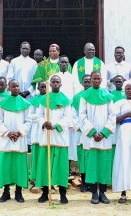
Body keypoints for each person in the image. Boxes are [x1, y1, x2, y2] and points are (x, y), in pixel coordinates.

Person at [34, 74, 73, 204]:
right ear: (49, 84)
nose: (55, 84)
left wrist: (56, 126)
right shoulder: (44, 99)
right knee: (46, 166)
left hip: (60, 137)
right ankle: (45, 192)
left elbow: (68, 117)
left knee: (61, 167)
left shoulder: (66, 100)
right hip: (47, 137)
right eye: (53, 82)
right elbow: (39, 115)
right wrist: (44, 122)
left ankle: (63, 193)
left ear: (61, 84)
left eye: (58, 82)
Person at [79, 71, 115, 205]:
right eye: (94, 78)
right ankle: (94, 193)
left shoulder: (108, 96)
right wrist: (93, 132)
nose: (96, 80)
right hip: (91, 137)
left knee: (104, 165)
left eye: (98, 78)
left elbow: (112, 116)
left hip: (104, 137)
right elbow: (82, 116)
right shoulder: (84, 96)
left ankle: (103, 193)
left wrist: (104, 132)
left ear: (101, 80)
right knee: (92, 166)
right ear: (91, 80)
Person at [0, 79, 33, 203]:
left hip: (19, 139)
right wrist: (8, 133)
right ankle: (6, 192)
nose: (16, 88)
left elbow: (28, 121)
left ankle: (18, 192)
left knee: (19, 166)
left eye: (17, 86)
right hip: (6, 139)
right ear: (9, 88)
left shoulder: (26, 103)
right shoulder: (3, 103)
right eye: (13, 86)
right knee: (5, 166)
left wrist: (19, 132)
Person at [72, 74, 92, 190]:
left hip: (93, 133)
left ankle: (92, 182)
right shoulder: (77, 97)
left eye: (89, 81)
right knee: (82, 158)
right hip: (81, 132)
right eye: (85, 81)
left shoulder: (97, 94)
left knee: (91, 158)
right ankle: (84, 182)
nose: (87, 83)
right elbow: (73, 114)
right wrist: (80, 127)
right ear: (81, 82)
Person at [28, 81, 48, 192]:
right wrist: (41, 118)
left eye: (45, 86)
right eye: (42, 87)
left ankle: (46, 180)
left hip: (48, 131)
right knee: (36, 157)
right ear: (38, 88)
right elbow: (30, 115)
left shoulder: (51, 99)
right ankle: (35, 179)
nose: (44, 88)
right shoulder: (34, 100)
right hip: (37, 130)